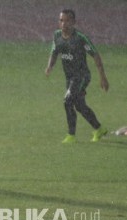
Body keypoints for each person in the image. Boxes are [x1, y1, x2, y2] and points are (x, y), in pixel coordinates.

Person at [45, 9, 109, 143]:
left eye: (67, 20)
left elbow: (95, 55)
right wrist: (50, 66)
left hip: (82, 76)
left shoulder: (80, 38)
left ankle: (71, 135)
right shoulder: (57, 35)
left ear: (73, 22)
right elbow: (54, 51)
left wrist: (102, 77)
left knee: (67, 101)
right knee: (79, 105)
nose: (64, 24)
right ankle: (99, 128)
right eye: (61, 20)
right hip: (69, 78)